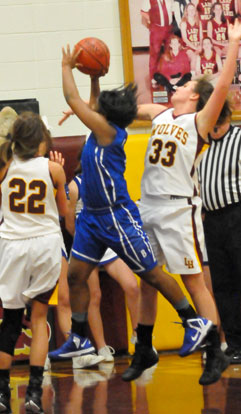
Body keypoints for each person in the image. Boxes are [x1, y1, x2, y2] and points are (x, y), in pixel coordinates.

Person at [60, 44, 215, 385]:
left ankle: (193, 321)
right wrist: (96, 80)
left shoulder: (108, 132)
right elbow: (89, 105)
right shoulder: (100, 126)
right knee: (75, 276)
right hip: (94, 218)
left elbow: (74, 103)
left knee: (152, 275)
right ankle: (80, 336)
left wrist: (67, 67)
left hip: (118, 216)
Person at [130, 18, 241, 385]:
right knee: (148, 280)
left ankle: (215, 352)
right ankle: (144, 348)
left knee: (195, 282)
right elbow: (122, 112)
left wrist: (234, 45)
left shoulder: (198, 120)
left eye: (189, 84)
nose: (181, 84)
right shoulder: (160, 114)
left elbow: (221, 86)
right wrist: (90, 100)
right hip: (148, 205)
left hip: (179, 208)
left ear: (194, 96)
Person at [0, 111, 67, 414]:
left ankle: (2, 394)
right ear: (42, 139)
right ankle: (35, 395)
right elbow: (65, 213)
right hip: (45, 247)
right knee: (39, 320)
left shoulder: (4, 169)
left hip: (12, 246)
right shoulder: (54, 169)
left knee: (11, 322)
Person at [48, 157, 139, 364]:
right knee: (94, 296)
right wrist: (83, 240)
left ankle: (139, 337)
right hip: (86, 242)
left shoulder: (111, 182)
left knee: (132, 285)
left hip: (108, 242)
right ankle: (101, 347)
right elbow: (69, 221)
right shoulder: (75, 184)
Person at [198, 103, 241, 364]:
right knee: (222, 285)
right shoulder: (202, 145)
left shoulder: (238, 138)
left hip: (237, 214)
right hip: (211, 220)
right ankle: (234, 344)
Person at [140, 0, 175, 88]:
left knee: (169, 51)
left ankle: (169, 74)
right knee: (155, 53)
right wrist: (151, 21)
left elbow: (173, 11)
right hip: (157, 28)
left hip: (169, 28)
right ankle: (153, 77)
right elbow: (143, 12)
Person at [180, 2, 203, 72]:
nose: (191, 11)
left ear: (195, 11)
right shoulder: (183, 23)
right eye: (189, 10)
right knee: (194, 57)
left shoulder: (199, 22)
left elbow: (201, 37)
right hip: (188, 47)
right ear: (186, 12)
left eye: (193, 9)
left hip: (198, 45)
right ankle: (192, 76)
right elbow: (185, 39)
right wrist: (195, 48)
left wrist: (200, 46)